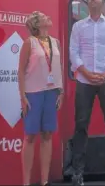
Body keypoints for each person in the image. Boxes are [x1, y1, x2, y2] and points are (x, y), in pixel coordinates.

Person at [69, 0, 105, 186]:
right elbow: (73, 52)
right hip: (84, 81)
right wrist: (85, 72)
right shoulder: (78, 26)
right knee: (81, 125)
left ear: (103, 3)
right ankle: (77, 173)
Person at [18, 11, 64, 186]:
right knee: (30, 136)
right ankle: (26, 182)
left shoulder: (55, 42)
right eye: (44, 17)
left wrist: (61, 92)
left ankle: (45, 181)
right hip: (33, 93)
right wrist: (22, 96)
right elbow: (21, 71)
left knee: (47, 135)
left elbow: (58, 68)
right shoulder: (29, 43)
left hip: (51, 92)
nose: (48, 18)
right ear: (37, 24)